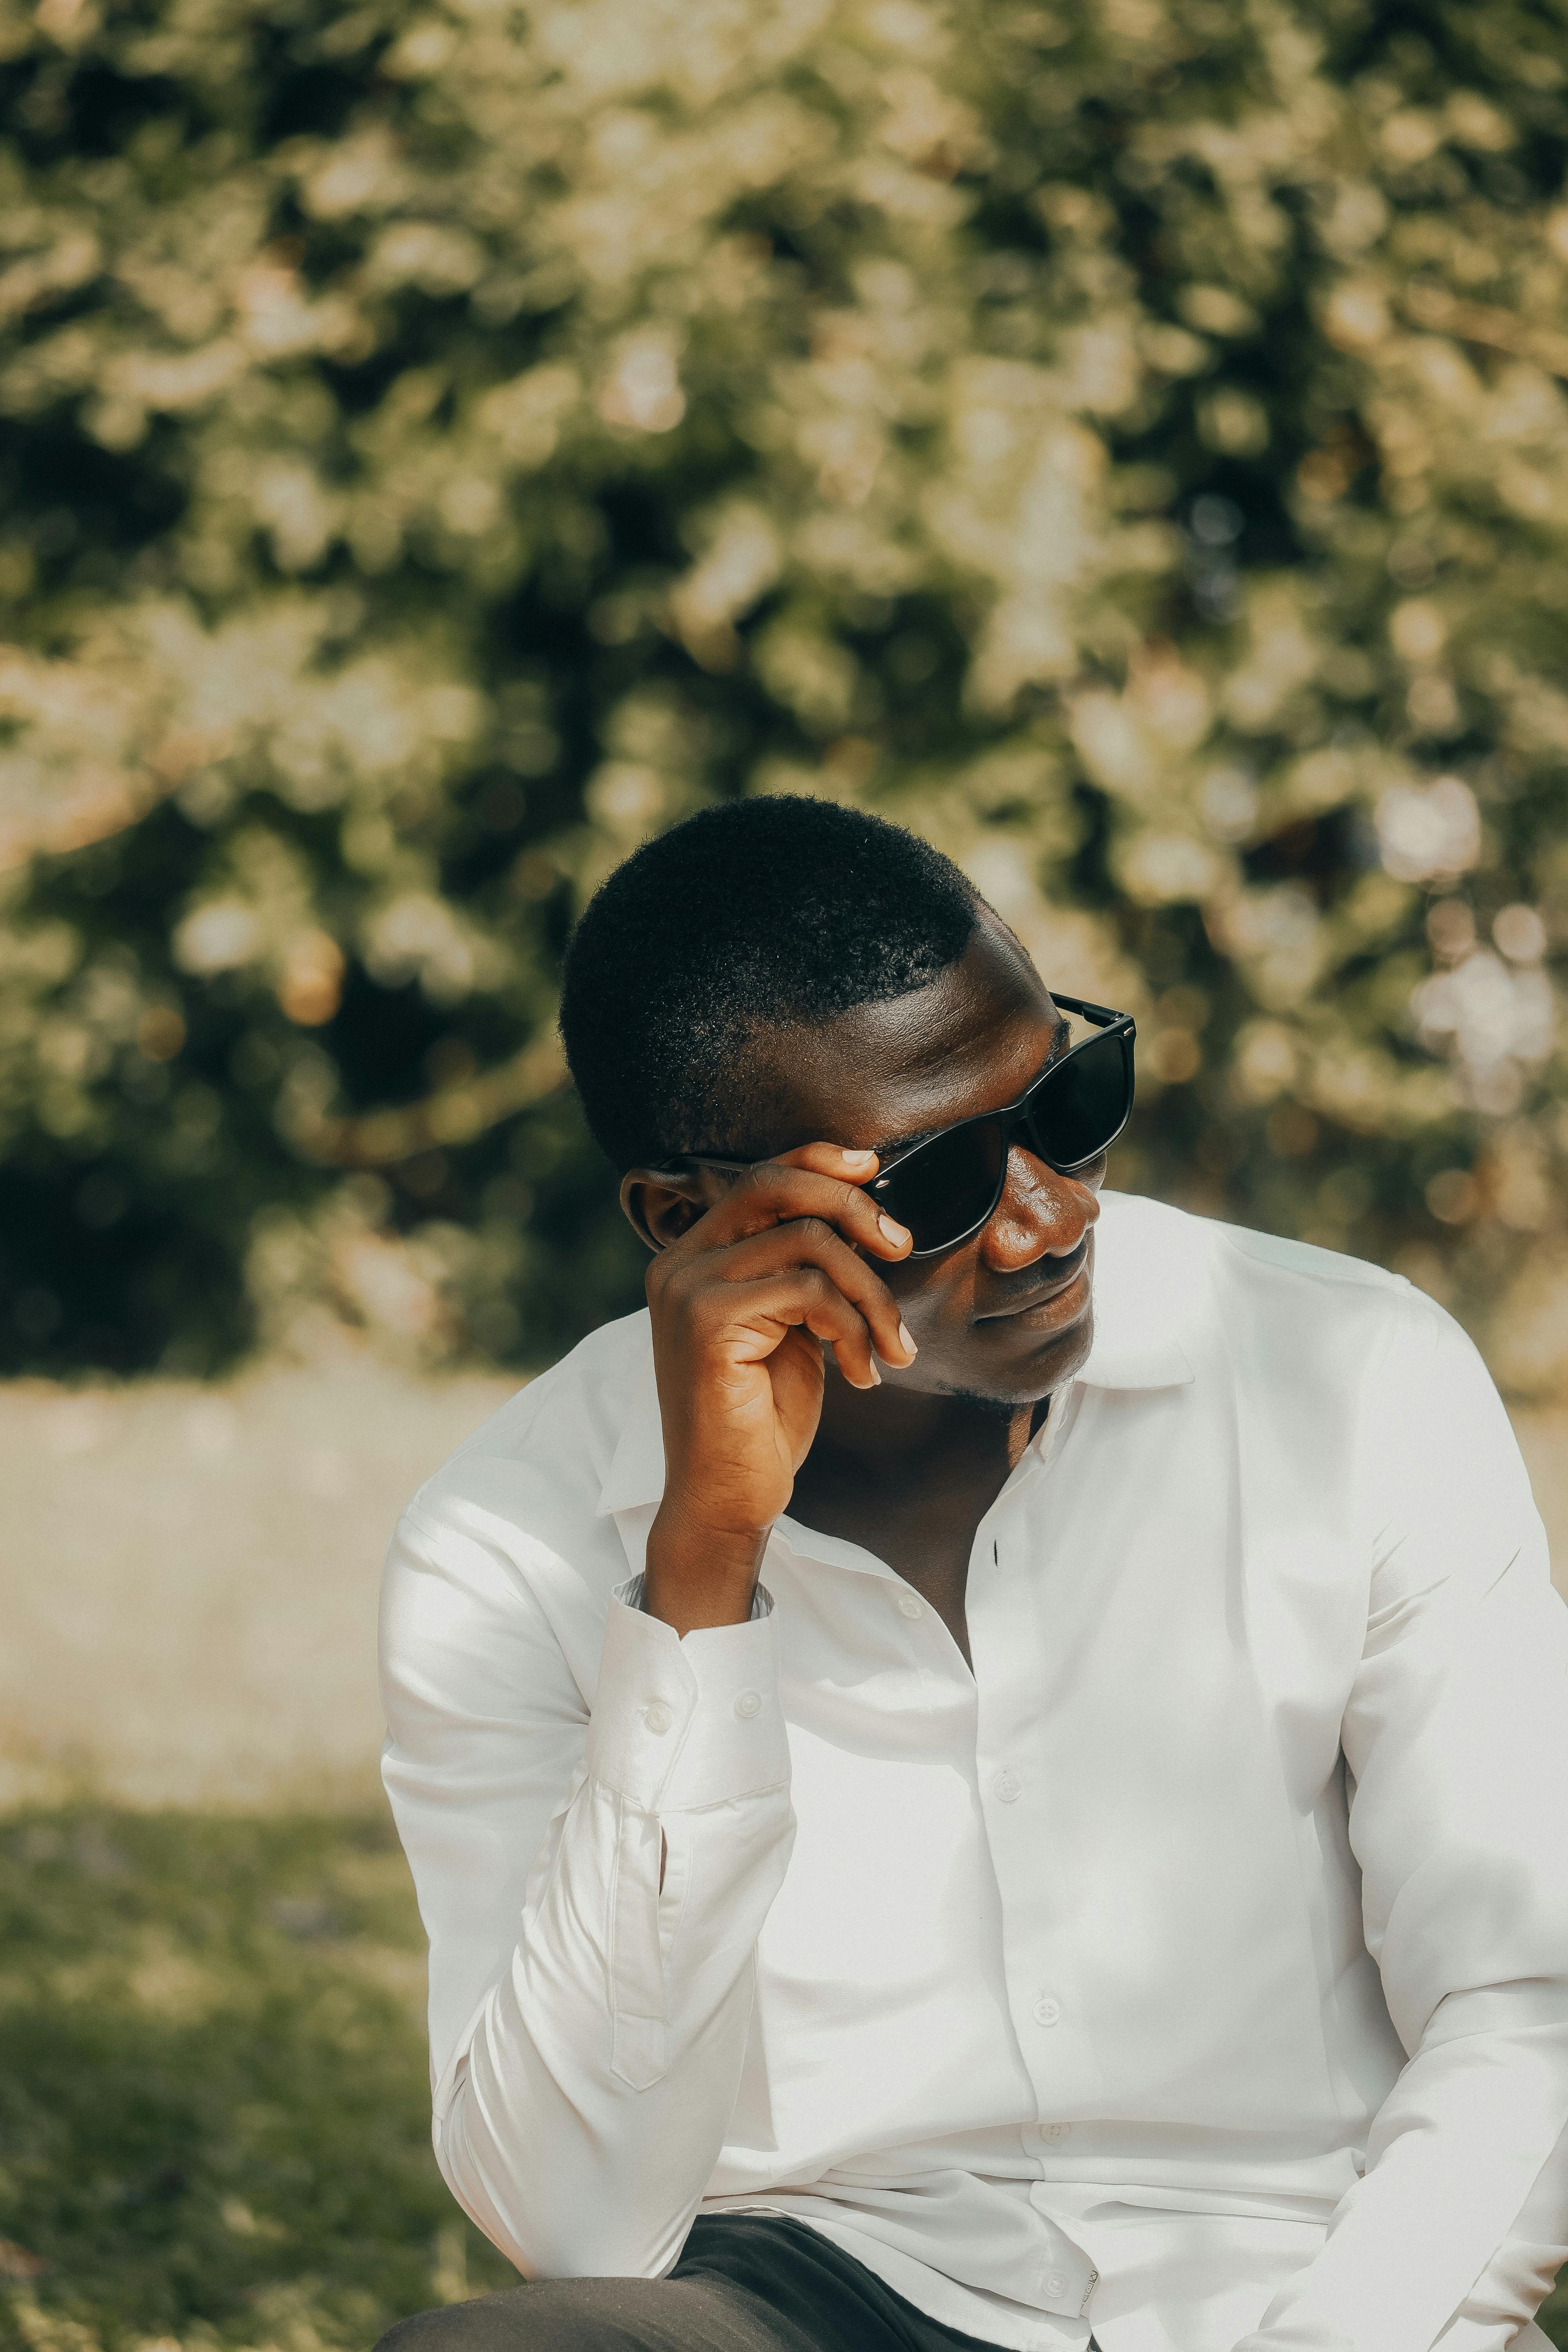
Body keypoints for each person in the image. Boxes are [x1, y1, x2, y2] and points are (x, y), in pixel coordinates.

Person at [376, 797, 1568, 2352]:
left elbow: (1522, 2001)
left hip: (1308, 2271)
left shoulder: (1355, 1376)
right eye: (933, 1185)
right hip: (828, 2283)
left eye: (1066, 1104)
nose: (1050, 1217)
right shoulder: (500, 1540)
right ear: (690, 1222)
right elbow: (576, 2221)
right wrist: (699, 1578)